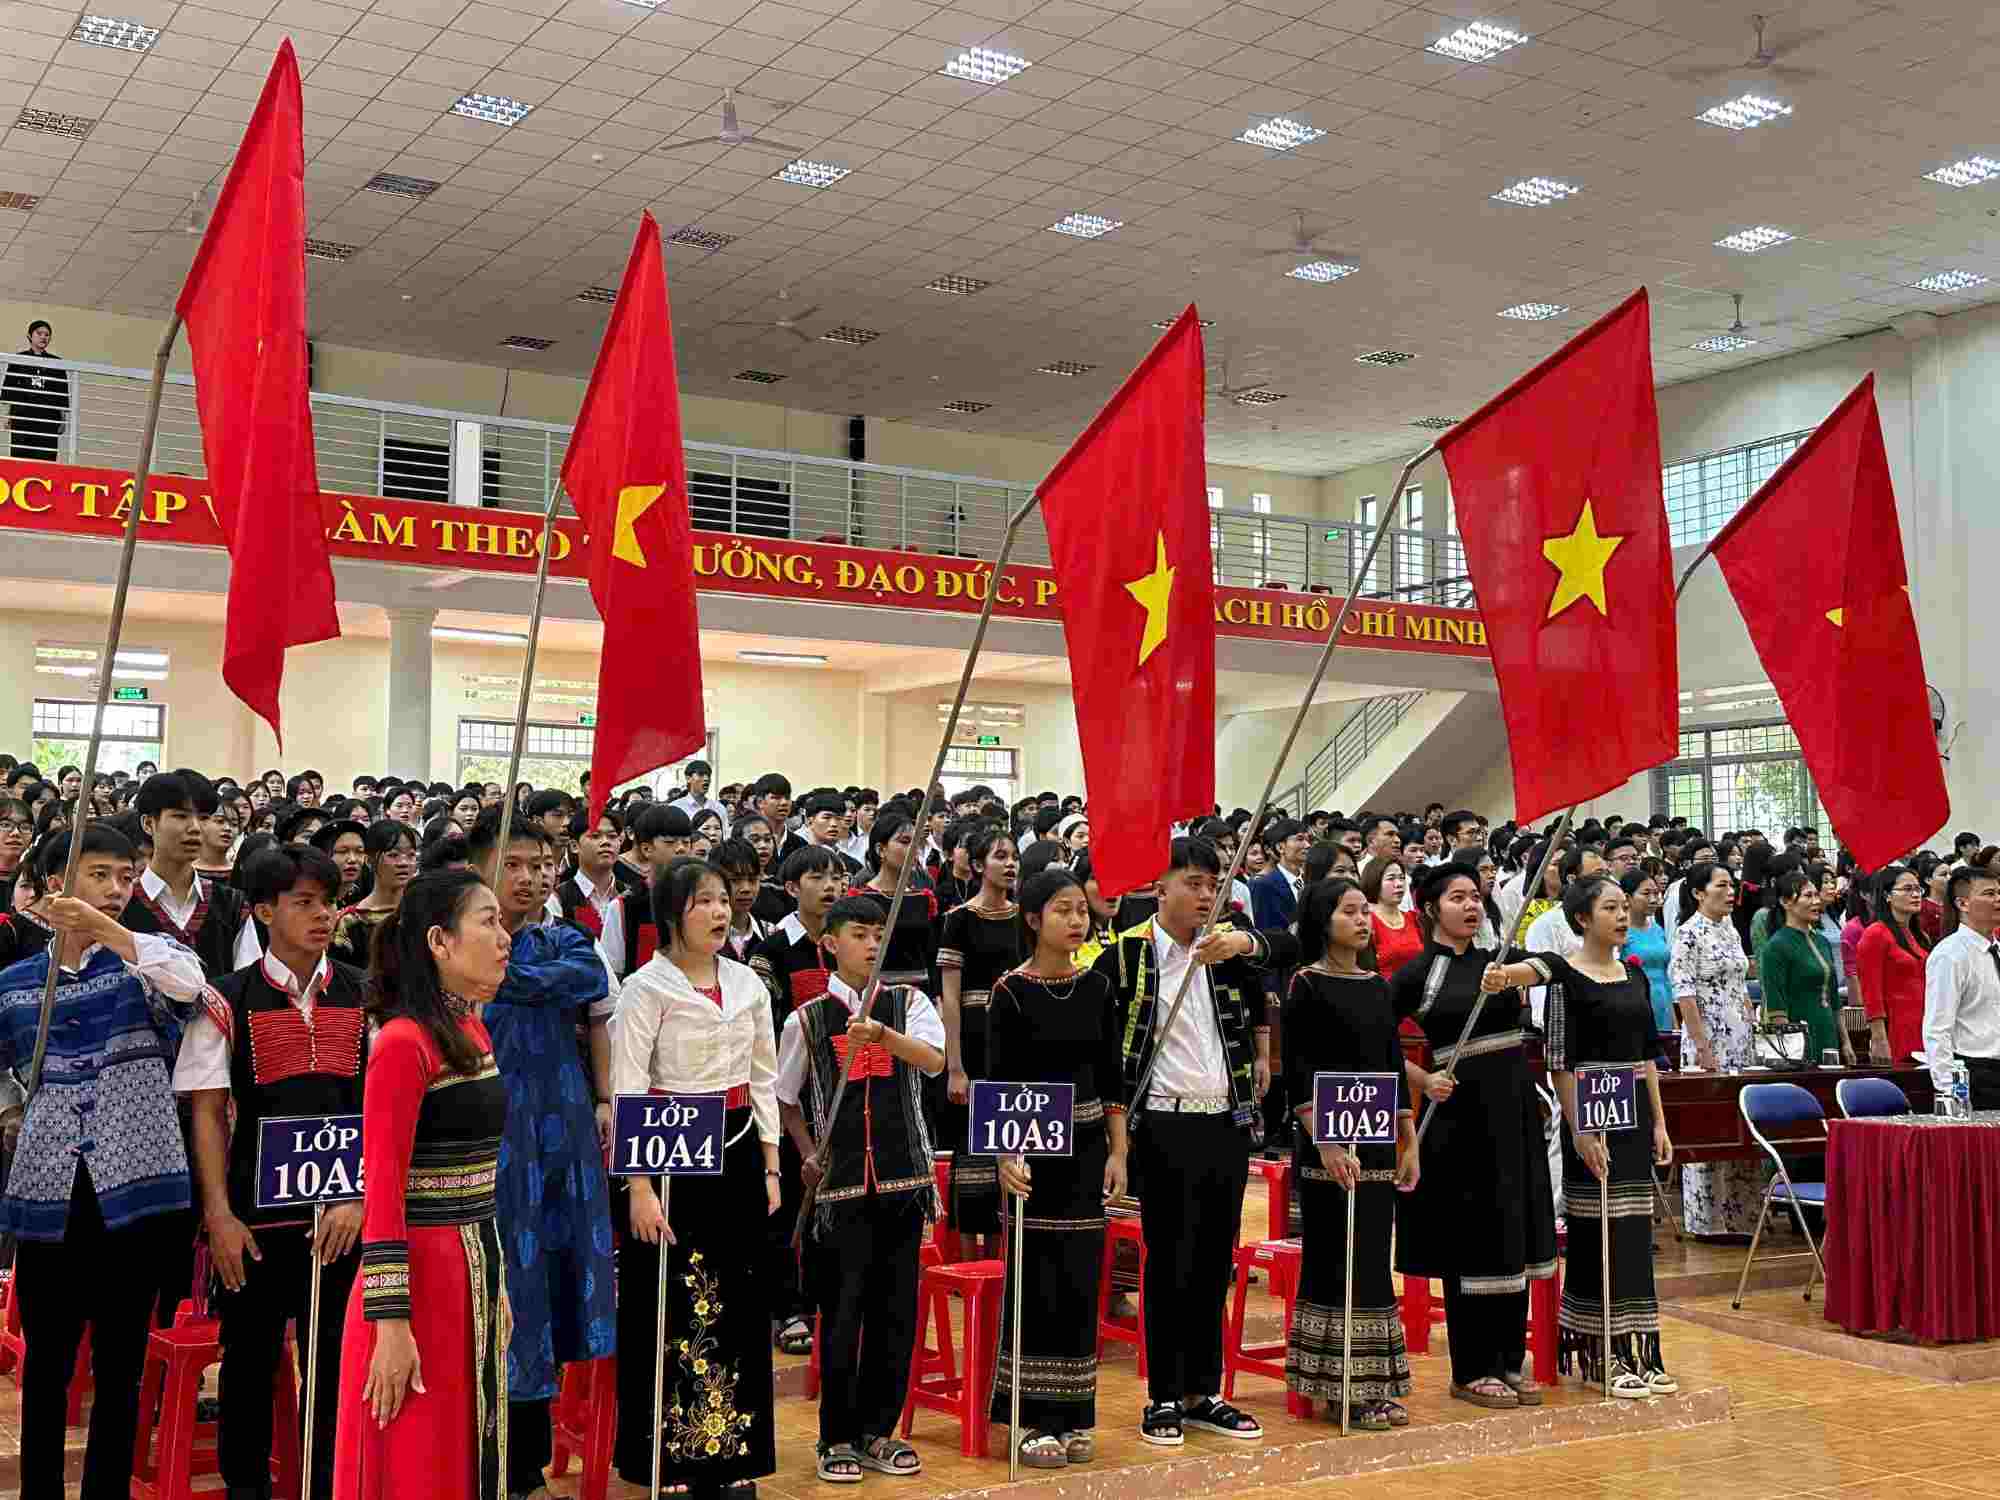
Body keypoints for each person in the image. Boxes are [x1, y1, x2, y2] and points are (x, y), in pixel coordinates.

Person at [0, 824, 206, 1500]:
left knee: (122, 1367)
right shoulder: (15, 984)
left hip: (137, 1192)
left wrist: (106, 928)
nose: (117, 890)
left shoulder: (150, 962)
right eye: (99, 875)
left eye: (125, 876)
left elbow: (191, 988)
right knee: (49, 1367)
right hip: (48, 1194)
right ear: (58, 882)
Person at [177, 845, 365, 1500]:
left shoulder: (363, 992)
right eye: (303, 903)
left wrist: (359, 1196)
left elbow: (380, 1105)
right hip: (255, 1223)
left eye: (330, 902)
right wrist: (219, 1215)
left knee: (339, 1367)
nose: (323, 916)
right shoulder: (226, 1000)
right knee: (250, 1366)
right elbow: (207, 1114)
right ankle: (246, 1489)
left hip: (345, 1221)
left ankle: (330, 1486)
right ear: (262, 910)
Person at [334, 869, 512, 1500]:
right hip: (416, 1284)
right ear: (440, 941)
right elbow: (380, 1190)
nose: (504, 936)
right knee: (416, 1464)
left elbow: (483, 1181)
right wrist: (389, 1323)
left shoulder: (472, 1030)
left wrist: (497, 1287)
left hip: (471, 1273)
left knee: (465, 1458)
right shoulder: (402, 1043)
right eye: (487, 922)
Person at [1095, 836, 1276, 1445]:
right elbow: (1106, 1056)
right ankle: (1164, 1394)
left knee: (1213, 1262)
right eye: (1193, 883)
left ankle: (1205, 1390)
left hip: (1224, 1121)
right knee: (1169, 1261)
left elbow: (1283, 962)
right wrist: (1117, 1142)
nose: (1205, 895)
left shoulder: (1227, 949)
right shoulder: (1123, 956)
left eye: (1213, 884)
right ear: (1159, 887)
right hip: (1161, 1124)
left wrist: (1246, 942)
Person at [613, 857, 780, 1498]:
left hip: (737, 1154)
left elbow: (763, 1077)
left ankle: (730, 1454)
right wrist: (638, 1187)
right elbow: (629, 1086)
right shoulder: (644, 989)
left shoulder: (747, 984)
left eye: (721, 900)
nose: (718, 911)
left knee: (736, 1306)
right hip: (668, 1162)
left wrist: (769, 1166)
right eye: (702, 901)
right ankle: (669, 1459)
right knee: (675, 1308)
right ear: (671, 915)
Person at [466, 808, 616, 1500]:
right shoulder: (446, 943)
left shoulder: (570, 941)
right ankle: (475, 1457)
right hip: (479, 1138)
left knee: (544, 1294)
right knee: (491, 1289)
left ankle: (524, 1464)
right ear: (478, 870)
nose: (527, 878)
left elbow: (584, 984)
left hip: (559, 1140)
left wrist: (492, 971)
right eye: (512, 864)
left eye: (538, 865)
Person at [1483, 877, 1677, 1397]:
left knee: (1636, 1235)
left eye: (1622, 906)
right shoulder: (1569, 977)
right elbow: (1561, 1062)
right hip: (1590, 1115)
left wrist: (1659, 1121)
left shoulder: (1634, 976)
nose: (1620, 915)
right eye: (1608, 907)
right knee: (1599, 1235)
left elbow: (1646, 1055)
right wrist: (1579, 1129)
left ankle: (1642, 1347)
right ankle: (1602, 1352)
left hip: (1634, 1112)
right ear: (1583, 919)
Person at [778, 895, 944, 1483]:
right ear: (831, 943)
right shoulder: (808, 1018)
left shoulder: (910, 1002)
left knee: (897, 1312)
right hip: (841, 1187)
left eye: (880, 933)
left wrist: (883, 1037)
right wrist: (805, 1152)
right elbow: (784, 1096)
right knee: (843, 1311)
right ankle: (836, 1437)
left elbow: (933, 1061)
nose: (873, 944)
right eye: (859, 933)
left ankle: (881, 1428)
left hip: (903, 1182)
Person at [1389, 863, 1557, 1410]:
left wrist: (1514, 976)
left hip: (1515, 1111)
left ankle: (1510, 1360)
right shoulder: (1418, 973)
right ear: (1432, 908)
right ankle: (1470, 1368)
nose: (1470, 906)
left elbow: (1556, 966)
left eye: (1476, 897)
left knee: (1515, 1230)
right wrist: (1422, 1078)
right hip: (1462, 1120)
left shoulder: (1497, 965)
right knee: (1473, 1236)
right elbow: (1374, 1038)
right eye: (1457, 897)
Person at [989, 869, 1127, 1465]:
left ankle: (1071, 1413)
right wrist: (1003, 1157)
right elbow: (999, 1082)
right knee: (1034, 1277)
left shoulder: (1098, 987)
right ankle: (1028, 1419)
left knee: (1078, 1278)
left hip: (1090, 1146)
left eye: (1081, 911)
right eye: (1063, 911)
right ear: (1032, 919)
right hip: (1030, 1151)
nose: (1077, 921)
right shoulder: (1009, 992)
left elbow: (1111, 1077)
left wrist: (1119, 1150)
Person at [1280, 878, 1418, 1430]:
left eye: (1366, 912)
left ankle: (1372, 1381)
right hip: (1326, 1145)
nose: (1362, 921)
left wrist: (1409, 1139)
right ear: (1323, 920)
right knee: (1334, 1254)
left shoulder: (1377, 986)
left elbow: (1390, 1061)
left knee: (1371, 1256)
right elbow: (1297, 1071)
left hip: (1379, 1136)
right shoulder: (1305, 985)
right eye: (1349, 912)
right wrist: (1327, 1141)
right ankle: (1335, 1385)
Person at [748, 843, 846, 1358]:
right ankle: (787, 1308)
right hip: (786, 1093)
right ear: (791, 888)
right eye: (817, 877)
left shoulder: (848, 944)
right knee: (786, 1204)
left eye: (837, 876)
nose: (830, 886)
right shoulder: (772, 952)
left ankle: (824, 1298)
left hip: (841, 1090)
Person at [1669, 863, 1765, 1238]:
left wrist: (1751, 1025)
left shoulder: (1730, 930)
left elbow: (1741, 983)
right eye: (1722, 885)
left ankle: (1743, 1217)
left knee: (1742, 1126)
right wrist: (1703, 1047)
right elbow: (1685, 993)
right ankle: (1707, 1222)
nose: (1730, 892)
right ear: (1698, 892)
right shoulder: (1688, 933)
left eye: (1732, 885)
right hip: (1706, 1040)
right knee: (1709, 1127)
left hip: (1741, 1039)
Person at [938, 824, 1023, 1239]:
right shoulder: (959, 919)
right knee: (974, 1148)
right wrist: (955, 1066)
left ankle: (1007, 1254)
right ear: (976, 865)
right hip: (974, 1040)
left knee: (1013, 1140)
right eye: (1000, 856)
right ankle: (971, 1260)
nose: (1010, 864)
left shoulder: (1026, 919)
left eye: (1013, 856)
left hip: (1016, 1037)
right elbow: (950, 999)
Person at [1922, 864, 2000, 1109]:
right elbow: (1937, 1028)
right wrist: (1951, 1091)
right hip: (1978, 1073)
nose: (1998, 899)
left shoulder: (1996, 949)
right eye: (1989, 894)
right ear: (1962, 904)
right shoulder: (1950, 954)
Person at [1759, 869, 1852, 1065]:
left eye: (1816, 895)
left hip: (1828, 1033)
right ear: (1785, 902)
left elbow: (1835, 1000)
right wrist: (1790, 1051)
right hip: (1799, 1040)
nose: (1816, 901)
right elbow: (1777, 1008)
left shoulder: (1822, 942)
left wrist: (1846, 1042)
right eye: (1808, 896)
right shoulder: (1776, 947)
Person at [1858, 865, 1928, 1065]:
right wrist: (1879, 1038)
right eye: (1908, 889)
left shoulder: (1919, 935)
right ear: (1888, 895)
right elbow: (1871, 992)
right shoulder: (1876, 934)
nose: (1916, 895)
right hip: (1897, 1027)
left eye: (1918, 889)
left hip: (1925, 1024)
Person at [329, 819, 417, 970]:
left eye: (411, 855)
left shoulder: (424, 912)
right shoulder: (348, 922)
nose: (404, 862)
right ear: (369, 860)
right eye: (393, 855)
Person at [1620, 868, 1675, 1036]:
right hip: (1634, 1006)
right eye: (1646, 893)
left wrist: (1674, 1017)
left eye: (1656, 893)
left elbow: (1666, 976)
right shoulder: (1620, 932)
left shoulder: (1657, 930)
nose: (1653, 899)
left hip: (1663, 1001)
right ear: (1627, 898)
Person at [4, 319, 68, 460]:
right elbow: (11, 388)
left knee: (46, 458)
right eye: (39, 333)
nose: (43, 337)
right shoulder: (18, 359)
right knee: (20, 458)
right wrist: (9, 414)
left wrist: (63, 419)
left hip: (47, 418)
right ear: (30, 335)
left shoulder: (56, 362)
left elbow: (61, 392)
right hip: (23, 416)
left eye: (47, 334)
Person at [1362, 855, 1421, 979]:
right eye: (1391, 879)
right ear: (1375, 882)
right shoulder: (1367, 922)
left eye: (1402, 878)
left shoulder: (1414, 918)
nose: (1399, 884)